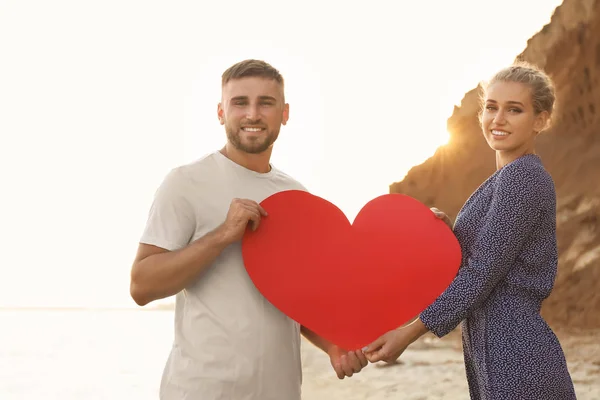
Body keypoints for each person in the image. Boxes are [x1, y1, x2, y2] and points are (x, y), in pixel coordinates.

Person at [129, 59, 368, 400]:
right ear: (220, 112)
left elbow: (294, 300)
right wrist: (223, 235)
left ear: (284, 114)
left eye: (265, 103)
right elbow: (141, 286)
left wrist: (332, 345)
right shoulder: (185, 183)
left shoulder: (297, 196)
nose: (252, 114)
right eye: (240, 102)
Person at [364, 62, 577, 399]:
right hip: (490, 349)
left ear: (541, 120)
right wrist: (450, 238)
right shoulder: (503, 180)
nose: (498, 119)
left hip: (517, 354)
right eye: (491, 107)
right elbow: (489, 260)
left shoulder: (523, 178)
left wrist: (409, 332)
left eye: (514, 110)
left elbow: (481, 275)